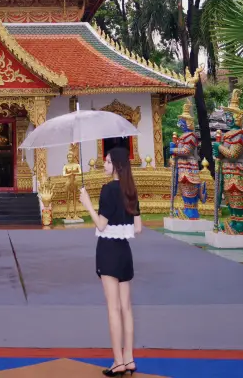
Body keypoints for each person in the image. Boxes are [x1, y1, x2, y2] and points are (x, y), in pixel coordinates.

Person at [80, 146, 141, 377]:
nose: (104, 165)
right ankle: (129, 358)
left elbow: (101, 225)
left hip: (108, 251)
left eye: (106, 162)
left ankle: (117, 361)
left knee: (113, 309)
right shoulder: (130, 190)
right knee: (126, 308)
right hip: (125, 253)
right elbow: (138, 228)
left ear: (116, 165)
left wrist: (87, 204)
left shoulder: (107, 190)